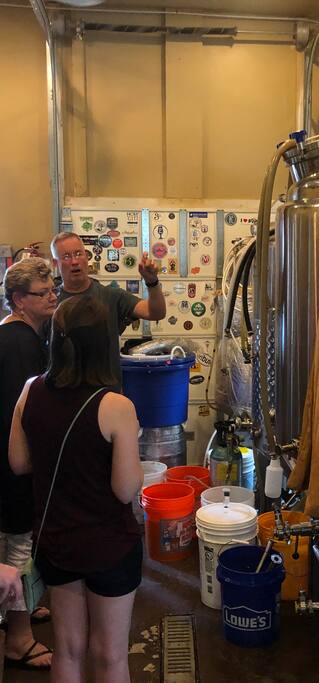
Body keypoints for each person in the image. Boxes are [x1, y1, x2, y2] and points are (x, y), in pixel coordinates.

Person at [9, 294, 144, 683]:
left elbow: (19, 463)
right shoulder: (116, 406)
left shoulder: (30, 390)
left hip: (56, 541)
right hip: (109, 546)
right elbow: (125, 490)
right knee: (111, 655)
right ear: (103, 345)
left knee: (67, 649)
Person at [0, 258, 56, 671]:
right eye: (43, 292)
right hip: (9, 465)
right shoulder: (21, 343)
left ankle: (24, 605)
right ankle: (18, 639)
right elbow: (22, 414)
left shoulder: (14, 333)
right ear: (19, 299)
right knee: (17, 543)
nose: (52, 296)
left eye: (53, 288)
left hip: (7, 461)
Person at [50, 231, 166, 385]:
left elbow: (155, 312)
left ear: (87, 256)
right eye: (66, 257)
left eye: (78, 254)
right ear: (55, 263)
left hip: (106, 392)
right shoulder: (49, 301)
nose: (74, 261)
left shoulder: (111, 296)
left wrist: (152, 282)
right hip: (64, 391)